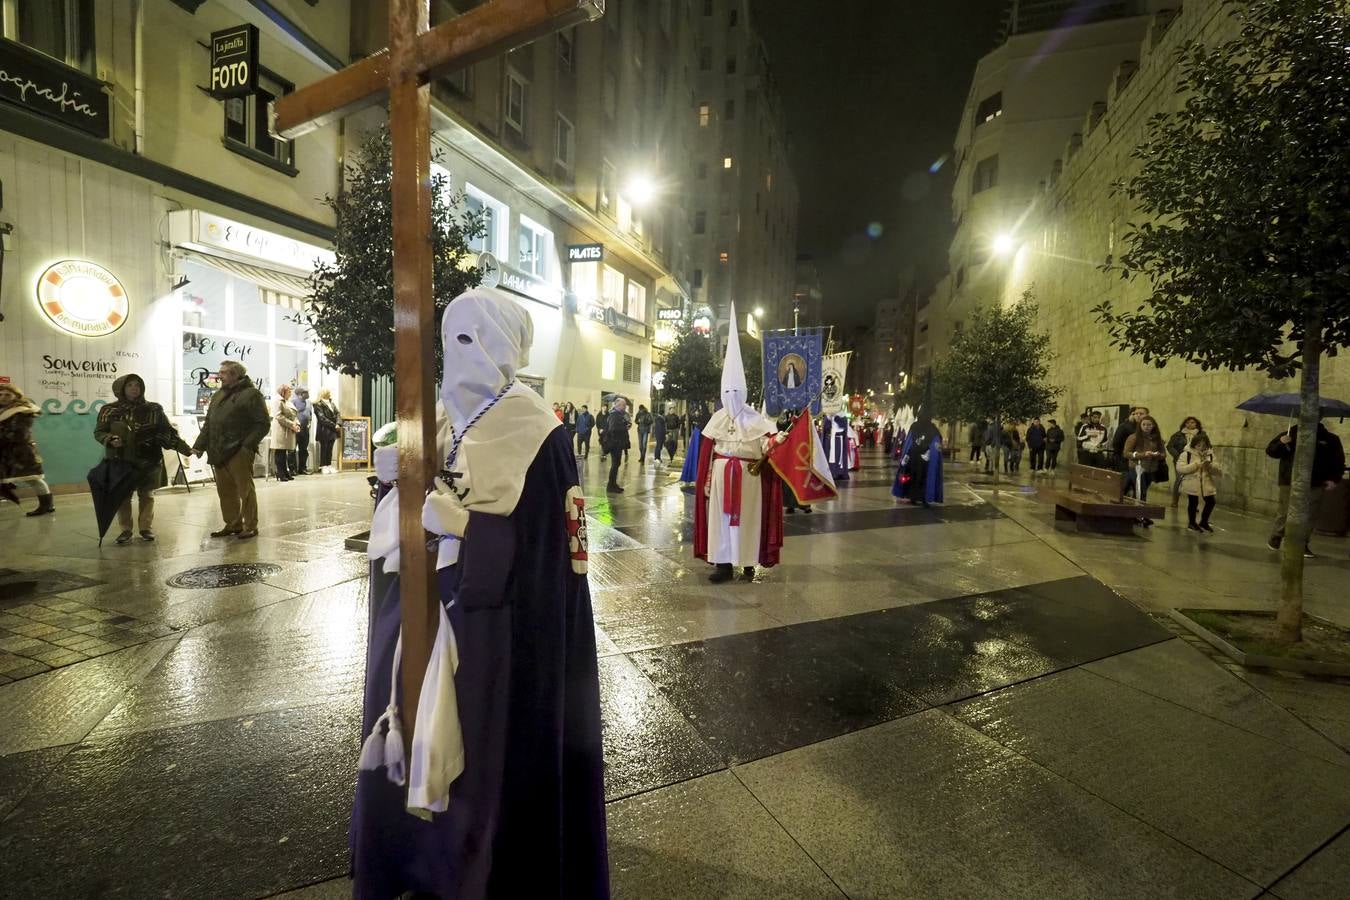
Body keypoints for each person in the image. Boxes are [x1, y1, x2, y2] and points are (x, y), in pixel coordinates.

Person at [355, 289, 608, 898]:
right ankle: (413, 861)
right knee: (405, 719)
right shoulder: (438, 419)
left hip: (493, 627)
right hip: (419, 608)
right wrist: (393, 484)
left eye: (473, 338)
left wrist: (471, 530)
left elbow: (553, 554)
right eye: (451, 339)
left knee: (483, 749)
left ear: (505, 346)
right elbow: (408, 513)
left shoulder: (537, 430)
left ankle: (477, 872)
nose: (459, 353)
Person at [694, 307, 784, 583]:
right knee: (721, 522)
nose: (732, 395)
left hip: (749, 477)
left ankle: (747, 563)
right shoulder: (717, 419)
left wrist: (776, 440)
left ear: (743, 392)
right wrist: (706, 480)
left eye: (736, 391)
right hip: (722, 478)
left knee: (748, 519)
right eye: (727, 391)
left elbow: (766, 447)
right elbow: (708, 455)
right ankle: (722, 564)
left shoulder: (756, 419)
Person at [93, 374, 192, 543]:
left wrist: (186, 449)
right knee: (122, 496)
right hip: (121, 459)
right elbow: (99, 432)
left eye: (137, 385)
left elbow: (167, 432)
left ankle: (146, 528)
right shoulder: (108, 410)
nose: (134, 388)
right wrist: (110, 439)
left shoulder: (154, 409)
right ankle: (125, 530)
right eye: (130, 385)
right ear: (121, 388)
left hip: (148, 458)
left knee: (147, 494)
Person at [193, 359, 270, 540]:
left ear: (235, 375)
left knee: (245, 491)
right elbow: (209, 423)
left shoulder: (252, 395)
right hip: (218, 450)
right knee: (225, 491)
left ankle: (250, 526)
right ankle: (233, 524)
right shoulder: (218, 395)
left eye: (223, 373)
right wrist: (198, 446)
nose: (220, 376)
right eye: (220, 372)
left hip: (239, 450)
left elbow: (263, 424)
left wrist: (246, 446)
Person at [1266, 422, 1345, 558]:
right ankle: (1277, 536)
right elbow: (1271, 451)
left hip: (1316, 482)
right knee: (1285, 511)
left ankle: (1301, 544)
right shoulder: (1291, 433)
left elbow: (1338, 460)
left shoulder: (1330, 439)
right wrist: (1281, 443)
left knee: (1310, 514)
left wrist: (1334, 479)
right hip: (1290, 480)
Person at [0, 384, 55, 517]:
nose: (3, 397)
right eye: (0, 394)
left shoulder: (22, 412)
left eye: (8, 394)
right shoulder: (4, 410)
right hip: (8, 451)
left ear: (16, 396)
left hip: (22, 452)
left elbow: (19, 434)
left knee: (33, 479)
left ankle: (47, 505)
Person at [1122, 414, 1166, 524]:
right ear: (1140, 425)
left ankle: (1137, 514)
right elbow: (1126, 453)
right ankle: (1140, 516)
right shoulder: (1134, 437)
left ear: (1153, 426)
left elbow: (1163, 453)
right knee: (1140, 492)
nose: (1146, 427)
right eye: (1144, 424)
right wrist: (1143, 454)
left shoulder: (1157, 438)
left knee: (1142, 491)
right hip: (1137, 468)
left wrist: (1157, 455)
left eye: (1149, 425)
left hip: (1151, 469)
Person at [893, 413, 944, 506]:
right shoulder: (933, 429)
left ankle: (913, 497)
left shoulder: (915, 426)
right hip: (927, 460)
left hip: (914, 458)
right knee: (925, 478)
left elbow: (909, 442)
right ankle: (924, 498)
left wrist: (905, 456)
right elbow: (937, 444)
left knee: (913, 476)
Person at [1176, 433, 1219, 533]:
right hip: (1192, 481)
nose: (1201, 448)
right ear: (1194, 444)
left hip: (1206, 482)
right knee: (1193, 502)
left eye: (1204, 445)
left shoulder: (1210, 454)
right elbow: (1180, 468)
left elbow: (1218, 469)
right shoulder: (1187, 454)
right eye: (1198, 445)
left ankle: (1204, 522)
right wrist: (1196, 465)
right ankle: (1192, 523)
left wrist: (1210, 466)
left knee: (1211, 501)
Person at [1167, 416, 1205, 509]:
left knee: (1195, 481)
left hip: (1196, 460)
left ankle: (1193, 504)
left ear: (1196, 424)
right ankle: (1175, 500)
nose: (1190, 424)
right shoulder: (1178, 435)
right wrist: (1177, 455)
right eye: (1187, 423)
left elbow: (1206, 445)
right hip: (1181, 460)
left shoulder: (1201, 434)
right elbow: (1170, 446)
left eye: (1192, 422)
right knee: (1179, 480)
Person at [270, 384, 301, 482]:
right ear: (283, 392)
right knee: (280, 452)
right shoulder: (278, 401)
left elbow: (293, 415)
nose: (290, 393)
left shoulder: (287, 401)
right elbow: (279, 416)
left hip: (287, 429)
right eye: (289, 392)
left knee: (284, 452)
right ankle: (280, 472)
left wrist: (297, 424)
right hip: (281, 429)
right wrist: (292, 425)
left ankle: (284, 472)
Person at [605, 398, 631, 491]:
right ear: (618, 405)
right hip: (615, 443)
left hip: (618, 443)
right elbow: (613, 429)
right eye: (623, 405)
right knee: (615, 464)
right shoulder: (614, 415)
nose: (625, 407)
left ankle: (613, 484)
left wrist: (625, 424)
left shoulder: (619, 415)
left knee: (617, 463)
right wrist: (624, 427)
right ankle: (611, 485)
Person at [314, 388, 340, 470]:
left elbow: (338, 413)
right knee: (324, 448)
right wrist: (334, 425)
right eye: (328, 393)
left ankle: (329, 465)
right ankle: (323, 466)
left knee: (330, 448)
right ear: (323, 394)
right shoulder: (318, 404)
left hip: (333, 430)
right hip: (324, 430)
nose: (330, 394)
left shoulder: (331, 403)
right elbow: (322, 418)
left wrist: (338, 423)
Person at [293, 387, 312, 475]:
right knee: (292, 449)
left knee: (304, 450)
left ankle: (302, 468)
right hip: (296, 428)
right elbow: (292, 414)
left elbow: (310, 414)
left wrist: (310, 422)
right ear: (301, 394)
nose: (308, 394)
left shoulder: (309, 402)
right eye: (306, 392)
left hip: (305, 429)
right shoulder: (293, 402)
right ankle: (293, 469)